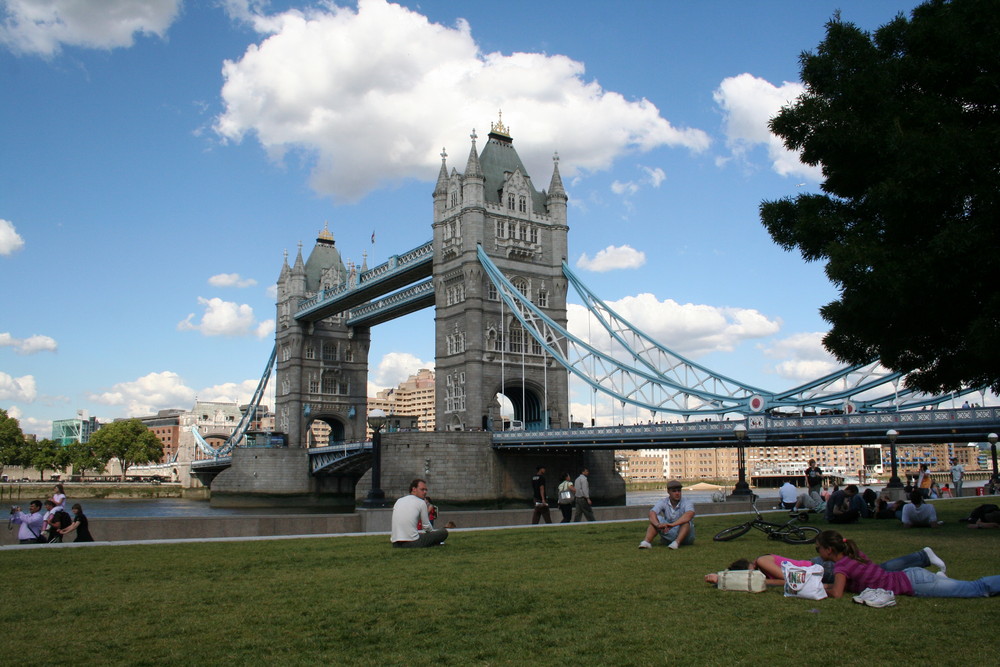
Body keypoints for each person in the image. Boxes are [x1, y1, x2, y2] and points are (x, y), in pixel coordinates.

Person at [817, 530, 1000, 599]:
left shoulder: (841, 567)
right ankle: (939, 579)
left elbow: (837, 594)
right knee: (964, 587)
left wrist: (822, 589)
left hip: (915, 583)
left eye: (819, 549)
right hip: (910, 575)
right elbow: (852, 583)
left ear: (829, 550)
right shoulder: (854, 554)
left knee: (975, 588)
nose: (817, 552)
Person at [704, 546, 949, 587]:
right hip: (819, 572)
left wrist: (765, 580)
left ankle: (921, 557)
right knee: (877, 573)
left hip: (821, 568)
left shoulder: (762, 561)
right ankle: (921, 561)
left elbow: (791, 580)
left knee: (878, 573)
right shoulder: (761, 569)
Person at [390, 478, 448, 548]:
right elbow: (426, 527)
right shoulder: (421, 503)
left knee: (420, 535)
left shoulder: (399, 501)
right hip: (412, 542)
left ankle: (434, 543)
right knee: (443, 532)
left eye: (426, 490)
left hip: (396, 543)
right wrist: (433, 534)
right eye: (422, 489)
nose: (425, 492)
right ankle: (436, 543)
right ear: (414, 489)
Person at [638, 479, 695, 550]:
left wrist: (673, 524)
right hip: (669, 530)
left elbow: (690, 514)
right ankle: (646, 542)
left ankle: (677, 542)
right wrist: (658, 525)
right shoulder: (663, 502)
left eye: (679, 491)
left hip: (686, 536)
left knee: (686, 522)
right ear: (668, 492)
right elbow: (652, 513)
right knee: (657, 518)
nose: (677, 493)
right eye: (674, 491)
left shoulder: (687, 502)